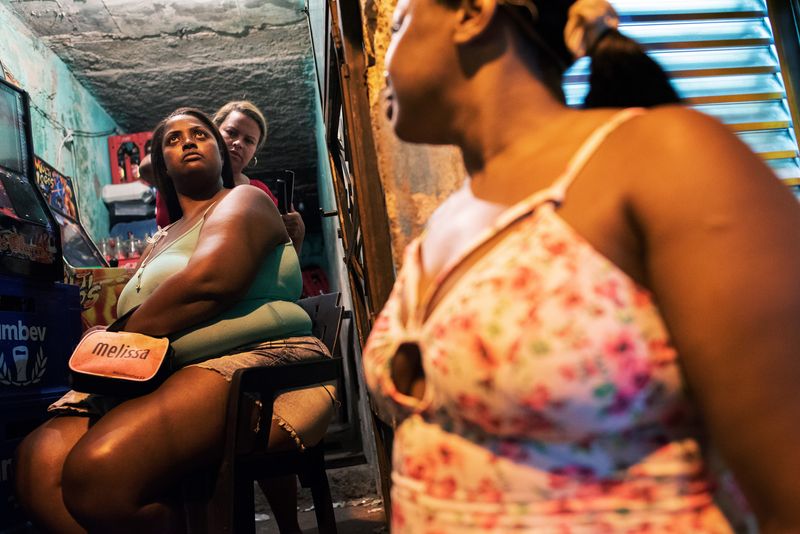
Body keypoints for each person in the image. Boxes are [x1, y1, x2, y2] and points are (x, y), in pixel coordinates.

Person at [363, 0, 800, 531]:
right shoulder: (452, 216)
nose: (385, 59)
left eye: (401, 24)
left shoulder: (666, 157)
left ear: (473, 13)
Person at [14, 108, 334, 533]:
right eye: (172, 139)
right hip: (162, 368)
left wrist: (116, 335)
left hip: (245, 359)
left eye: (200, 134)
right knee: (39, 468)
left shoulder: (245, 200)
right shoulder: (163, 235)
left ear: (220, 153)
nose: (186, 141)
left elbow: (210, 283)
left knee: (98, 474)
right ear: (161, 165)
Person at [142, 100, 306, 256]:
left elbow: (283, 257)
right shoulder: (183, 177)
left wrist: (297, 234)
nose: (238, 143)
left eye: (249, 141)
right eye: (231, 132)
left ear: (254, 152)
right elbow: (146, 167)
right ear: (213, 133)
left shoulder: (258, 192)